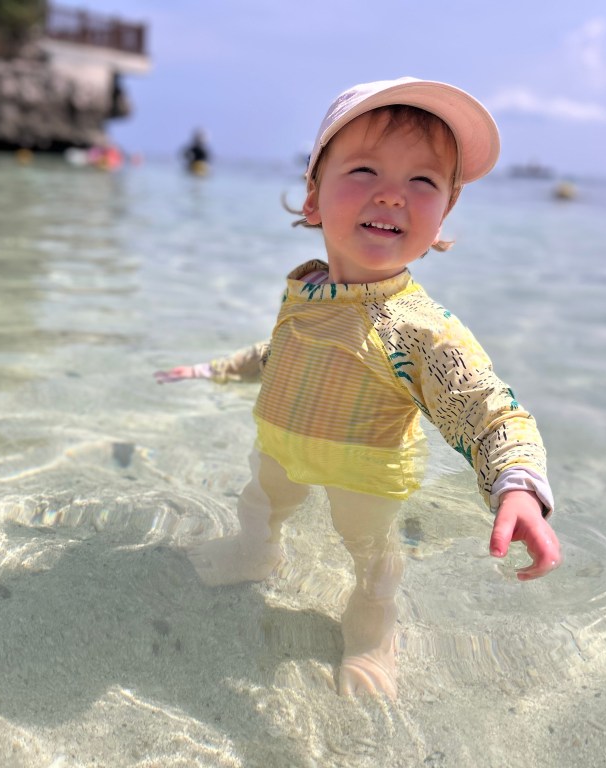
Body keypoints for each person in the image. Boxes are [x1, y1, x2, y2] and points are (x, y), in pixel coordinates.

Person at [155, 77, 561, 699]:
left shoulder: (420, 328)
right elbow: (281, 354)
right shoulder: (309, 287)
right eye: (365, 169)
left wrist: (518, 484)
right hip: (282, 444)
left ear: (444, 212)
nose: (393, 194)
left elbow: (487, 411)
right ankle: (256, 552)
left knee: (370, 554)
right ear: (313, 196)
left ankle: (374, 627)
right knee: (261, 503)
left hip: (365, 468)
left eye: (423, 181)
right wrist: (215, 370)